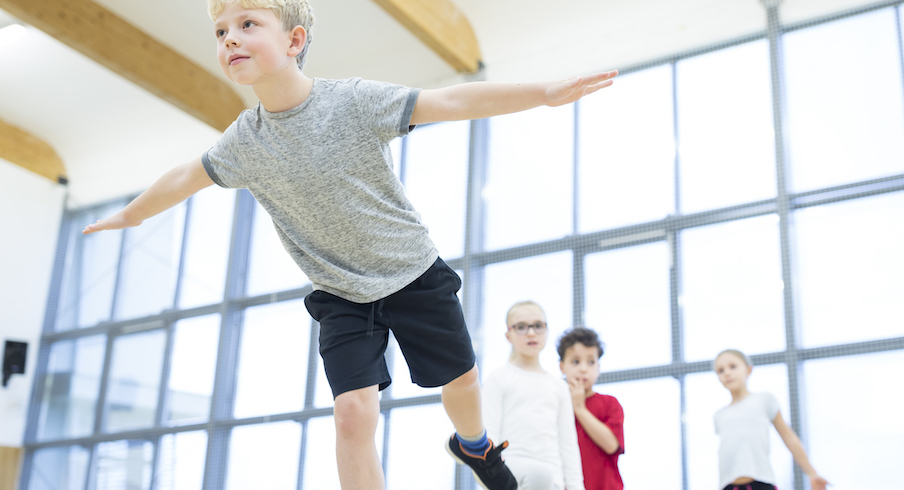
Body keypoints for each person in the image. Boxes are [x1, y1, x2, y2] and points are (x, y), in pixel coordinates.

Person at [80, 0, 617, 488]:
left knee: (461, 385)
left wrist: (543, 94)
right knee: (353, 413)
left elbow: (450, 99)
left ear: (293, 41)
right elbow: (185, 177)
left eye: (247, 25)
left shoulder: (354, 102)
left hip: (411, 272)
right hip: (340, 293)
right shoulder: (245, 140)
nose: (229, 40)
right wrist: (130, 215)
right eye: (220, 32)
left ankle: (474, 447)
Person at [482, 301, 585, 490]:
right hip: (511, 476)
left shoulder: (558, 386)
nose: (531, 333)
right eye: (521, 327)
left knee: (543, 474)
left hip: (553, 481)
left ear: (546, 330)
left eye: (538, 326)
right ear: (508, 335)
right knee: (539, 474)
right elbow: (490, 436)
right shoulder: (498, 378)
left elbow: (568, 445)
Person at [713, 349, 828, 490]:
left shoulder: (764, 400)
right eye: (720, 370)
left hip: (761, 483)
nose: (727, 373)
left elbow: (789, 437)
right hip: (728, 486)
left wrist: (812, 473)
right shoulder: (719, 415)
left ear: (749, 370)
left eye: (733, 366)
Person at [557, 327, 624, 489]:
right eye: (575, 361)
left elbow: (611, 445)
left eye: (591, 362)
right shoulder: (556, 405)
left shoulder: (609, 403)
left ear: (598, 368)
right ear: (562, 367)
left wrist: (579, 408)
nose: (583, 368)